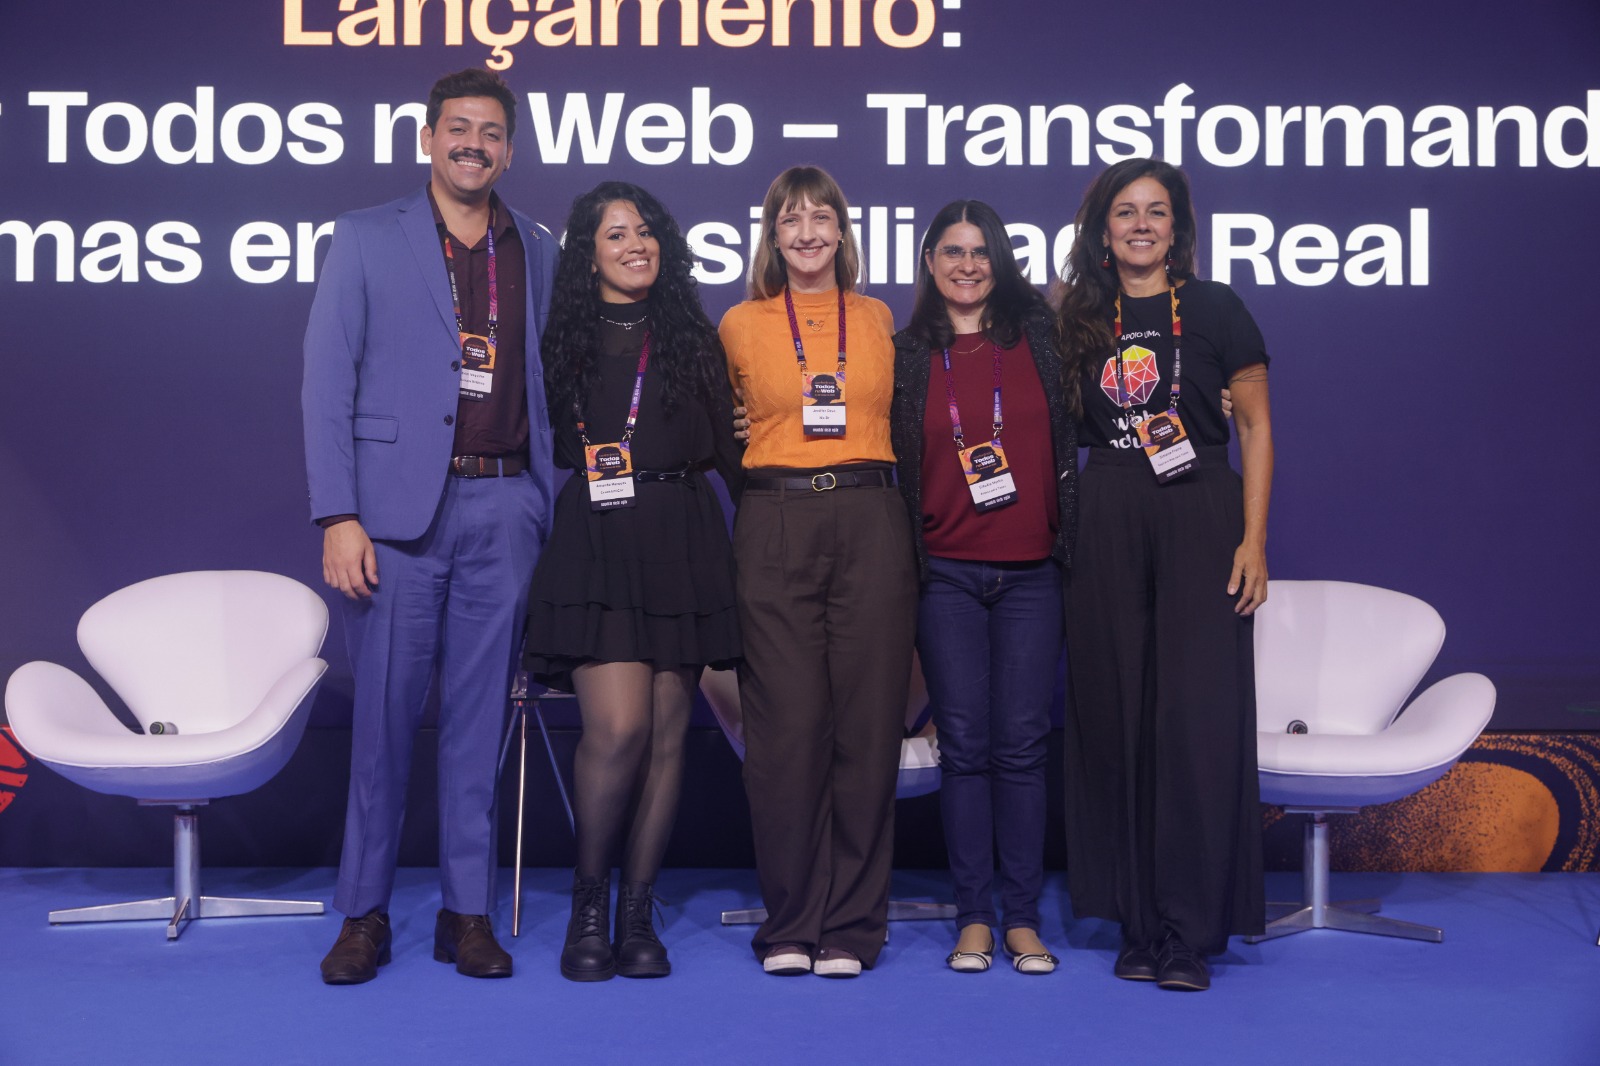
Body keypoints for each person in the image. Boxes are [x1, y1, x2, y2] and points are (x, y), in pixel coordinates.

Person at [302, 68, 556, 985]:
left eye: (491, 133)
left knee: (477, 725)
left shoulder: (538, 245)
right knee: (382, 729)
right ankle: (363, 913)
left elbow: (548, 381)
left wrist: (544, 500)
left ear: (510, 149)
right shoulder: (367, 238)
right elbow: (326, 382)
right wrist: (339, 513)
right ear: (427, 137)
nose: (473, 146)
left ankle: (466, 913)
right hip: (395, 522)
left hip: (505, 507)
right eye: (458, 129)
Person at [1055, 158, 1274, 992]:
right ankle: (1139, 924)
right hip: (1107, 513)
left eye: (1156, 212)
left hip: (1198, 512)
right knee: (1117, 715)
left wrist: (1254, 540)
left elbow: (1255, 427)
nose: (1140, 225)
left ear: (1177, 226)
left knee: (1194, 719)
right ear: (1103, 230)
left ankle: (1189, 929)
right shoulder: (1076, 314)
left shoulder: (1217, 307)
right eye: (1124, 212)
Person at [522, 181, 743, 981]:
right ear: (589, 253)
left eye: (645, 231)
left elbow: (735, 456)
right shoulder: (557, 341)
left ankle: (638, 915)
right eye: (616, 235)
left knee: (665, 735)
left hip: (682, 535)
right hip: (596, 540)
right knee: (616, 730)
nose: (635, 245)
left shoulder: (692, 335)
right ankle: (588, 907)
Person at [718, 165, 917, 978]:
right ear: (772, 236)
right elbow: (724, 427)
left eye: (820, 218)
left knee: (868, 730)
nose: (806, 233)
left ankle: (853, 928)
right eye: (789, 220)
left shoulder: (879, 319)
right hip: (775, 517)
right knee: (786, 732)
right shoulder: (738, 323)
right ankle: (792, 923)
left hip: (871, 516)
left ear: (842, 232)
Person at [888, 200, 1078, 976]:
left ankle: (1024, 920)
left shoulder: (1041, 340)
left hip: (1035, 571)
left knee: (1023, 749)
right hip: (946, 575)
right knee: (964, 748)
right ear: (929, 262)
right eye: (952, 252)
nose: (967, 266)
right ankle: (974, 918)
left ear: (1000, 261)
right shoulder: (904, 354)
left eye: (981, 252)